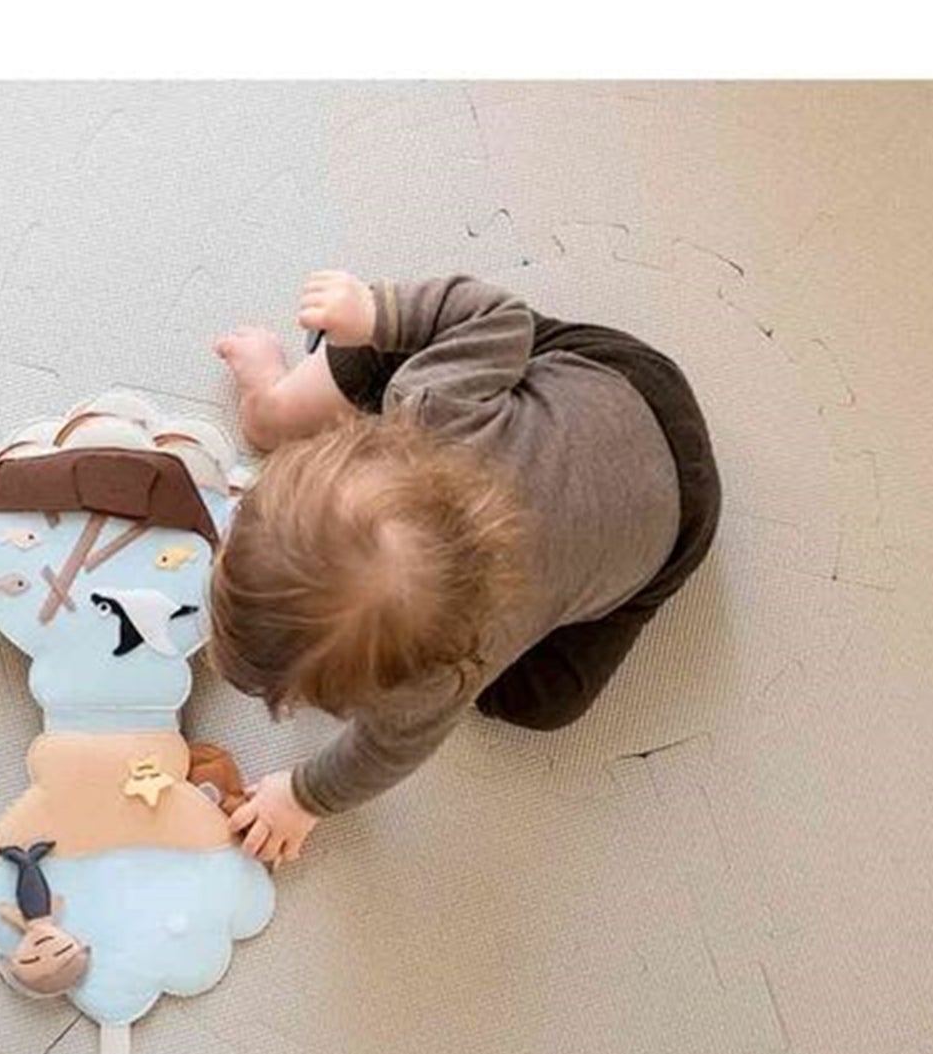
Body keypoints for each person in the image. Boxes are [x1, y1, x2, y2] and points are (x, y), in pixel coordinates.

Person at [209, 270, 721, 866]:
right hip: (616, 404)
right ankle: (285, 402)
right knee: (379, 339)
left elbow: (382, 754)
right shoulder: (433, 400)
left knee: (543, 702)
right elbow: (496, 317)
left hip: (667, 499)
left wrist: (303, 798)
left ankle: (274, 406)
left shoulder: (437, 684)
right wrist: (374, 317)